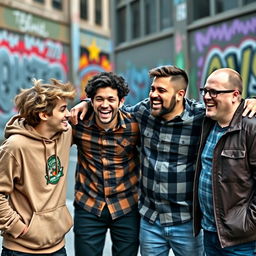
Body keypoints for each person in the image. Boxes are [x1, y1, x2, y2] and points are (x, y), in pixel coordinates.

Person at [70, 65, 256, 256]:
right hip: (151, 220)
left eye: (161, 90)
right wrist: (86, 102)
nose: (153, 95)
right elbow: (112, 109)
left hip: (186, 223)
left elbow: (229, 111)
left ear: (180, 94)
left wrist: (251, 102)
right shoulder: (143, 112)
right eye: (152, 89)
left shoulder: (201, 118)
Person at [0, 79, 76, 256]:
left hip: (58, 247)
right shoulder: (15, 146)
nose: (69, 114)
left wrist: (87, 104)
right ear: (44, 115)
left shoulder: (66, 134)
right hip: (20, 250)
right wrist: (16, 227)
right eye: (63, 109)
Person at [72, 72, 140, 256]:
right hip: (88, 206)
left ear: (121, 102)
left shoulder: (134, 126)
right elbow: (44, 126)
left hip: (126, 207)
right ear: (91, 101)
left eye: (111, 99)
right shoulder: (78, 124)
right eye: (99, 99)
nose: (105, 105)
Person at [193, 68, 256, 255]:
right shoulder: (206, 122)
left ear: (235, 95)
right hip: (210, 233)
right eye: (205, 91)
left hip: (241, 241)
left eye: (214, 92)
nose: (206, 97)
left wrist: (247, 223)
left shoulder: (251, 128)